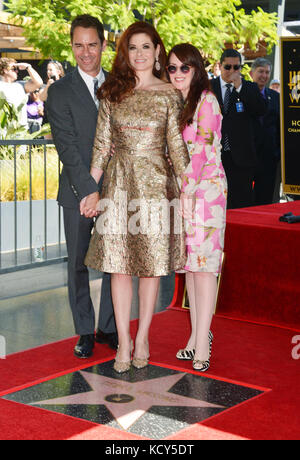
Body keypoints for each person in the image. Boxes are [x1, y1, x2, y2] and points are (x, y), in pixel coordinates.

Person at [83, 21, 190, 373]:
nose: (140, 54)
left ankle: (143, 335)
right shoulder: (113, 92)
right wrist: (92, 189)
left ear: (158, 52)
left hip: (158, 189)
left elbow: (176, 147)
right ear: (125, 54)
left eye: (147, 47)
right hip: (118, 187)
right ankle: (124, 342)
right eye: (133, 48)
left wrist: (188, 190)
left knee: (150, 267)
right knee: (118, 267)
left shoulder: (169, 94)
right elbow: (101, 147)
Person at [47, 15, 117, 359]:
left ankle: (107, 326)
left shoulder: (121, 85)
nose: (85, 52)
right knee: (77, 263)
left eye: (92, 44)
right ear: (71, 46)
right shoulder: (59, 91)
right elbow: (67, 146)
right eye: (78, 45)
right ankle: (84, 331)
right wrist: (89, 189)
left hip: (117, 191)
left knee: (112, 261)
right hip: (76, 193)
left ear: (104, 44)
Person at [166, 44, 227, 372]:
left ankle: (203, 342)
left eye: (183, 68)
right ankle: (196, 336)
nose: (176, 74)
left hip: (206, 192)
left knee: (204, 270)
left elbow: (202, 151)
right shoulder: (175, 102)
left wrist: (187, 193)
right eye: (172, 68)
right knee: (190, 267)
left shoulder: (207, 101)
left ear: (196, 69)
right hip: (183, 192)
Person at [210, 49, 267, 209]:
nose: (232, 71)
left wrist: (240, 87)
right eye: (228, 67)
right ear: (220, 66)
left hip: (241, 159)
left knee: (241, 204)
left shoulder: (249, 88)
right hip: (215, 156)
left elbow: (260, 110)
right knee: (215, 203)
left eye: (237, 67)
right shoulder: (209, 87)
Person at [250, 58, 281, 205]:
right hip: (247, 156)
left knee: (265, 200)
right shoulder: (241, 94)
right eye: (260, 71)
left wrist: (278, 152)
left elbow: (279, 126)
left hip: (269, 157)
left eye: (267, 72)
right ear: (252, 73)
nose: (264, 75)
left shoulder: (276, 97)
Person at [0, 58, 43, 130]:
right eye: (13, 69)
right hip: (4, 132)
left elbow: (38, 83)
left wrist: (28, 67)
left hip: (21, 130)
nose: (17, 71)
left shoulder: (20, 85)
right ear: (5, 70)